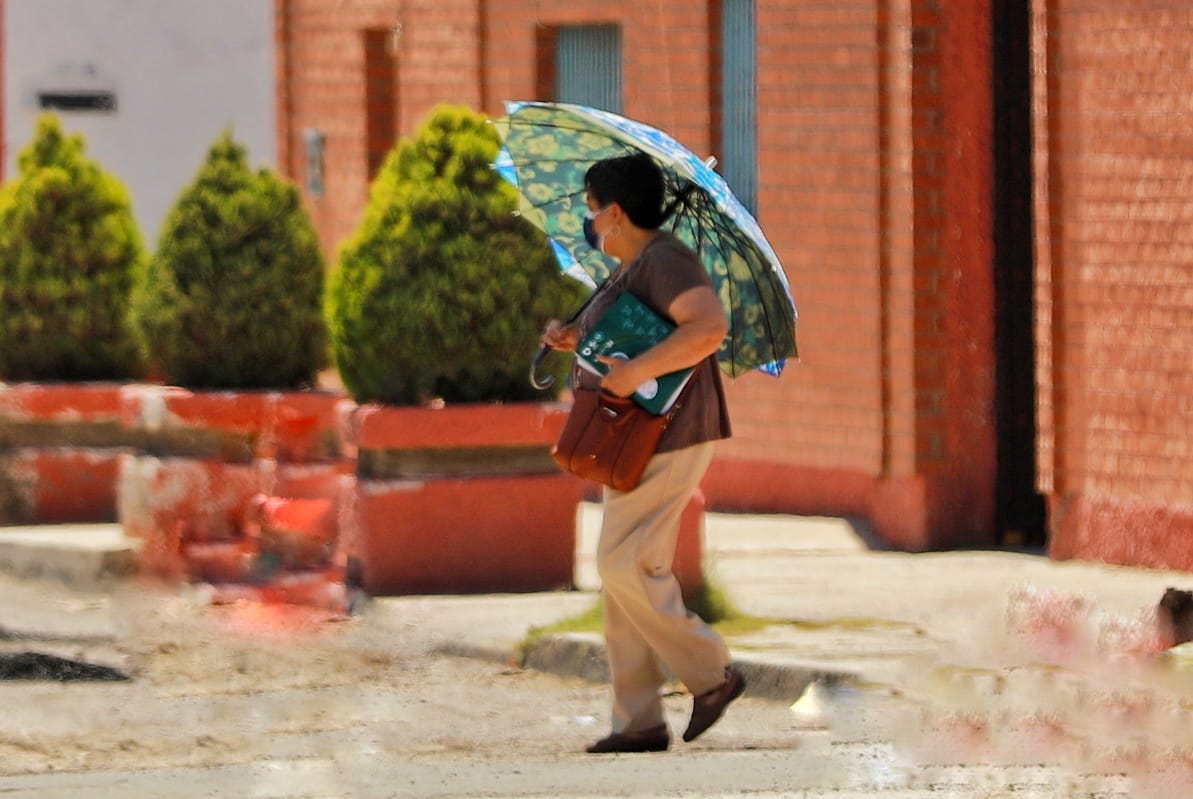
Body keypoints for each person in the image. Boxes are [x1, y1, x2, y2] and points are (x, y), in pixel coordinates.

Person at [541, 152, 744, 753]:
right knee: (632, 573)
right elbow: (637, 333)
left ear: (616, 213)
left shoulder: (666, 260)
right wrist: (578, 339)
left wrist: (636, 374)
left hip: (668, 437)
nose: (589, 222)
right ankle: (638, 720)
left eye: (592, 211)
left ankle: (713, 673)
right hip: (633, 437)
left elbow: (707, 328)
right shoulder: (636, 265)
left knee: (620, 564)